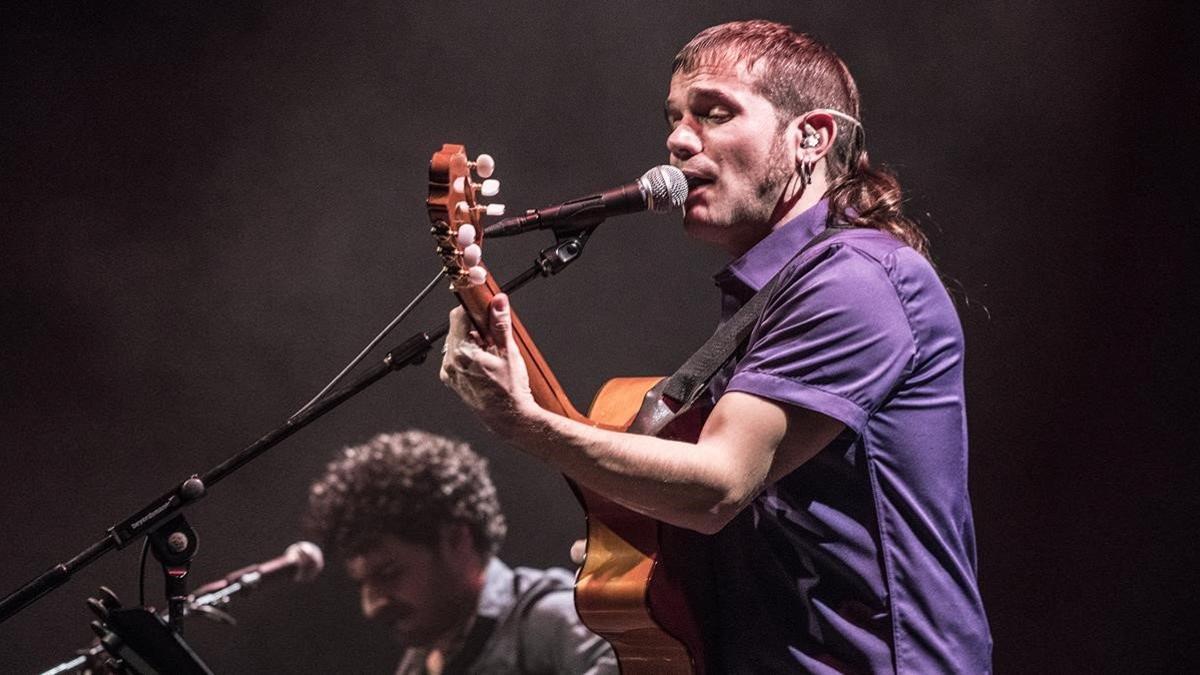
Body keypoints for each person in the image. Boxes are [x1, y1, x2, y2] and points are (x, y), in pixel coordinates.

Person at [439, 19, 992, 674]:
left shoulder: (858, 279)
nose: (676, 139)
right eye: (674, 118)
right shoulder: (775, 293)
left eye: (713, 113)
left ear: (811, 136)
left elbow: (718, 486)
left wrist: (525, 423)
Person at [305, 429, 617, 674]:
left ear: (456, 539)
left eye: (388, 573)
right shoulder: (420, 663)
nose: (372, 605)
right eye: (362, 582)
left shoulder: (551, 619)